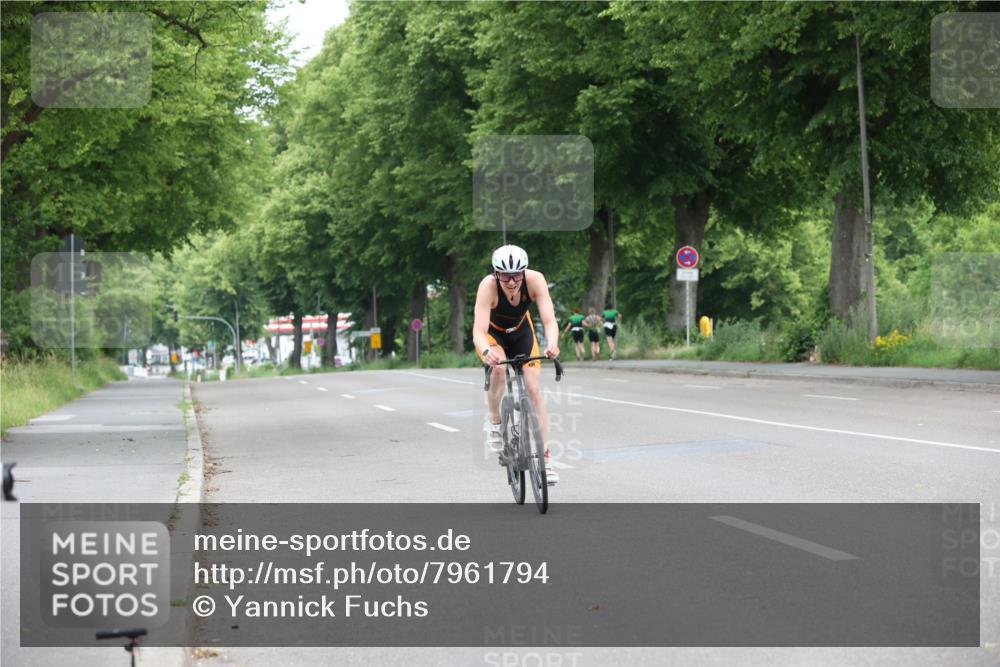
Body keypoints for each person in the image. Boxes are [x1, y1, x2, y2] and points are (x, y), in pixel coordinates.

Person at [472, 245, 560, 484]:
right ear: (495, 273)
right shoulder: (487, 287)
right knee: (499, 368)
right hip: (494, 336)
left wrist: (552, 344)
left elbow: (550, 320)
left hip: (522, 333)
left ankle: (545, 459)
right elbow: (478, 330)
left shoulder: (535, 281)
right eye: (505, 276)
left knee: (534, 391)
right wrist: (487, 350)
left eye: (516, 275)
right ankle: (493, 420)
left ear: (524, 271)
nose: (511, 282)